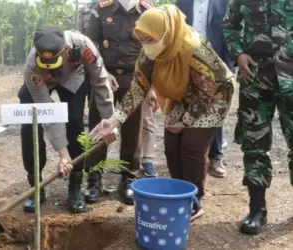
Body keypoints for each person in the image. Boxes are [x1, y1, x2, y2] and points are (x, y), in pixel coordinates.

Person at [91, 4, 235, 221]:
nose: (146, 45)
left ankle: (195, 202)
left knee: (191, 147)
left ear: (165, 33)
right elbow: (138, 89)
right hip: (183, 94)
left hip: (214, 96)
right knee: (171, 142)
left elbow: (207, 91)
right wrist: (113, 120)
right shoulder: (149, 52)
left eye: (150, 39)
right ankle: (180, 195)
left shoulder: (193, 47)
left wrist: (185, 122)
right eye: (143, 40)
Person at [19, 24, 114, 214]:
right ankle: (35, 185)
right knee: (30, 127)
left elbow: (101, 82)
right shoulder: (31, 68)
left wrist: (110, 121)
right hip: (41, 83)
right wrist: (63, 154)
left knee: (75, 123)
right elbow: (49, 112)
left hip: (73, 78)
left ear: (66, 50)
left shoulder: (84, 46)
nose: (52, 70)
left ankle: (75, 187)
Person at [223, 0, 293, 235]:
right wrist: (239, 53)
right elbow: (229, 25)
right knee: (254, 145)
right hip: (255, 79)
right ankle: (257, 210)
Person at [83, 0, 157, 205]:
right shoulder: (101, 8)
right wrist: (103, 74)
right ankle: (94, 179)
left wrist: (152, 87)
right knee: (99, 128)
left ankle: (128, 179)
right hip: (103, 79)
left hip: (136, 79)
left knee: (133, 130)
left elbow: (153, 49)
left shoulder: (148, 11)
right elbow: (90, 46)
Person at [176, 0, 234, 178]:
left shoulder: (224, 3)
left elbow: (229, 32)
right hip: (187, 63)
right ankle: (187, 154)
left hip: (215, 64)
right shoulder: (183, 2)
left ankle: (215, 156)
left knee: (215, 110)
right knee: (186, 105)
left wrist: (229, 66)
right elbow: (176, 29)